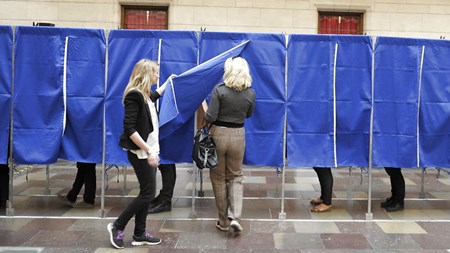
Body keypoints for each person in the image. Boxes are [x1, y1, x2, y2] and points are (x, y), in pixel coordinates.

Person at [107, 58, 166, 249]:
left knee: (146, 193)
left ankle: (139, 234)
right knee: (148, 193)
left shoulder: (145, 94)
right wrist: (149, 151)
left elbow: (153, 98)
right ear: (147, 73)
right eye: (156, 72)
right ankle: (117, 226)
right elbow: (129, 129)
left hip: (149, 151)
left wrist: (168, 84)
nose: (158, 75)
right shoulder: (134, 95)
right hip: (142, 152)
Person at [204, 56, 256, 233]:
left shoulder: (220, 90)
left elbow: (210, 117)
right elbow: (248, 114)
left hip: (218, 134)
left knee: (218, 178)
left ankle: (223, 222)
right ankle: (235, 217)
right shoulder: (250, 93)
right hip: (238, 135)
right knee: (236, 176)